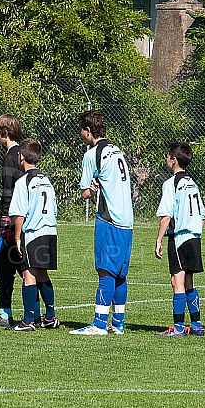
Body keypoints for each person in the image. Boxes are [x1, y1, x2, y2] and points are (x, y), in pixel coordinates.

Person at [70, 110, 133, 336]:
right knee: (120, 274)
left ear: (88, 132)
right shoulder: (117, 151)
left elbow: (85, 192)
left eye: (81, 130)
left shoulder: (92, 154)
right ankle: (118, 323)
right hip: (127, 220)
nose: (80, 134)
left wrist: (92, 188)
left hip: (110, 219)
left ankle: (98, 324)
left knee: (105, 271)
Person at [154, 143, 205, 336]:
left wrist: (159, 240)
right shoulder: (193, 183)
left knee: (177, 280)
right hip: (194, 236)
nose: (166, 159)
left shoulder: (171, 183)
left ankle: (177, 328)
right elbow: (203, 216)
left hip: (179, 236)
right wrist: (195, 234)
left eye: (167, 156)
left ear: (174, 160)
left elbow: (166, 216)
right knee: (189, 281)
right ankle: (196, 325)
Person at [7, 139, 59, 331]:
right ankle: (50, 317)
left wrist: (18, 238)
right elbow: (54, 209)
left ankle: (28, 321)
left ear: (21, 157)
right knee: (42, 274)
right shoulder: (46, 180)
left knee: (28, 274)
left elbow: (19, 214)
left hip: (34, 233)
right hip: (50, 232)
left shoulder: (23, 182)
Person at [0, 114, 24, 328]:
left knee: (5, 265)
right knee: (23, 266)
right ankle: (34, 312)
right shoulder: (22, 154)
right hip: (21, 218)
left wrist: (6, 222)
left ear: (5, 133)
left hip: (9, 219)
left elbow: (10, 191)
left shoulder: (11, 156)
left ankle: (5, 314)